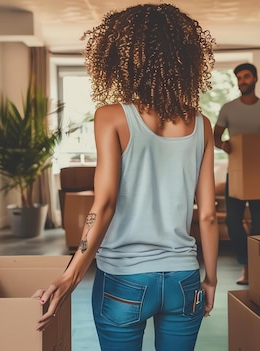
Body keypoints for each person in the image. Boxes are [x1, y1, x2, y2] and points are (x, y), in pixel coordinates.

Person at [33, 4, 219, 351]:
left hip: (123, 280)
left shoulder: (111, 117)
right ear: (184, 59)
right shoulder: (202, 125)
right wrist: (210, 278)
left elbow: (103, 204)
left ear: (123, 59)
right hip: (183, 279)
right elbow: (207, 216)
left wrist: (71, 274)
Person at [213, 63, 260, 285]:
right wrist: (224, 145)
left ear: (255, 79)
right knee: (234, 223)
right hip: (235, 174)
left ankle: (258, 267)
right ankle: (246, 265)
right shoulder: (228, 108)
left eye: (246, 77)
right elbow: (216, 137)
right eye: (239, 78)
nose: (242, 81)